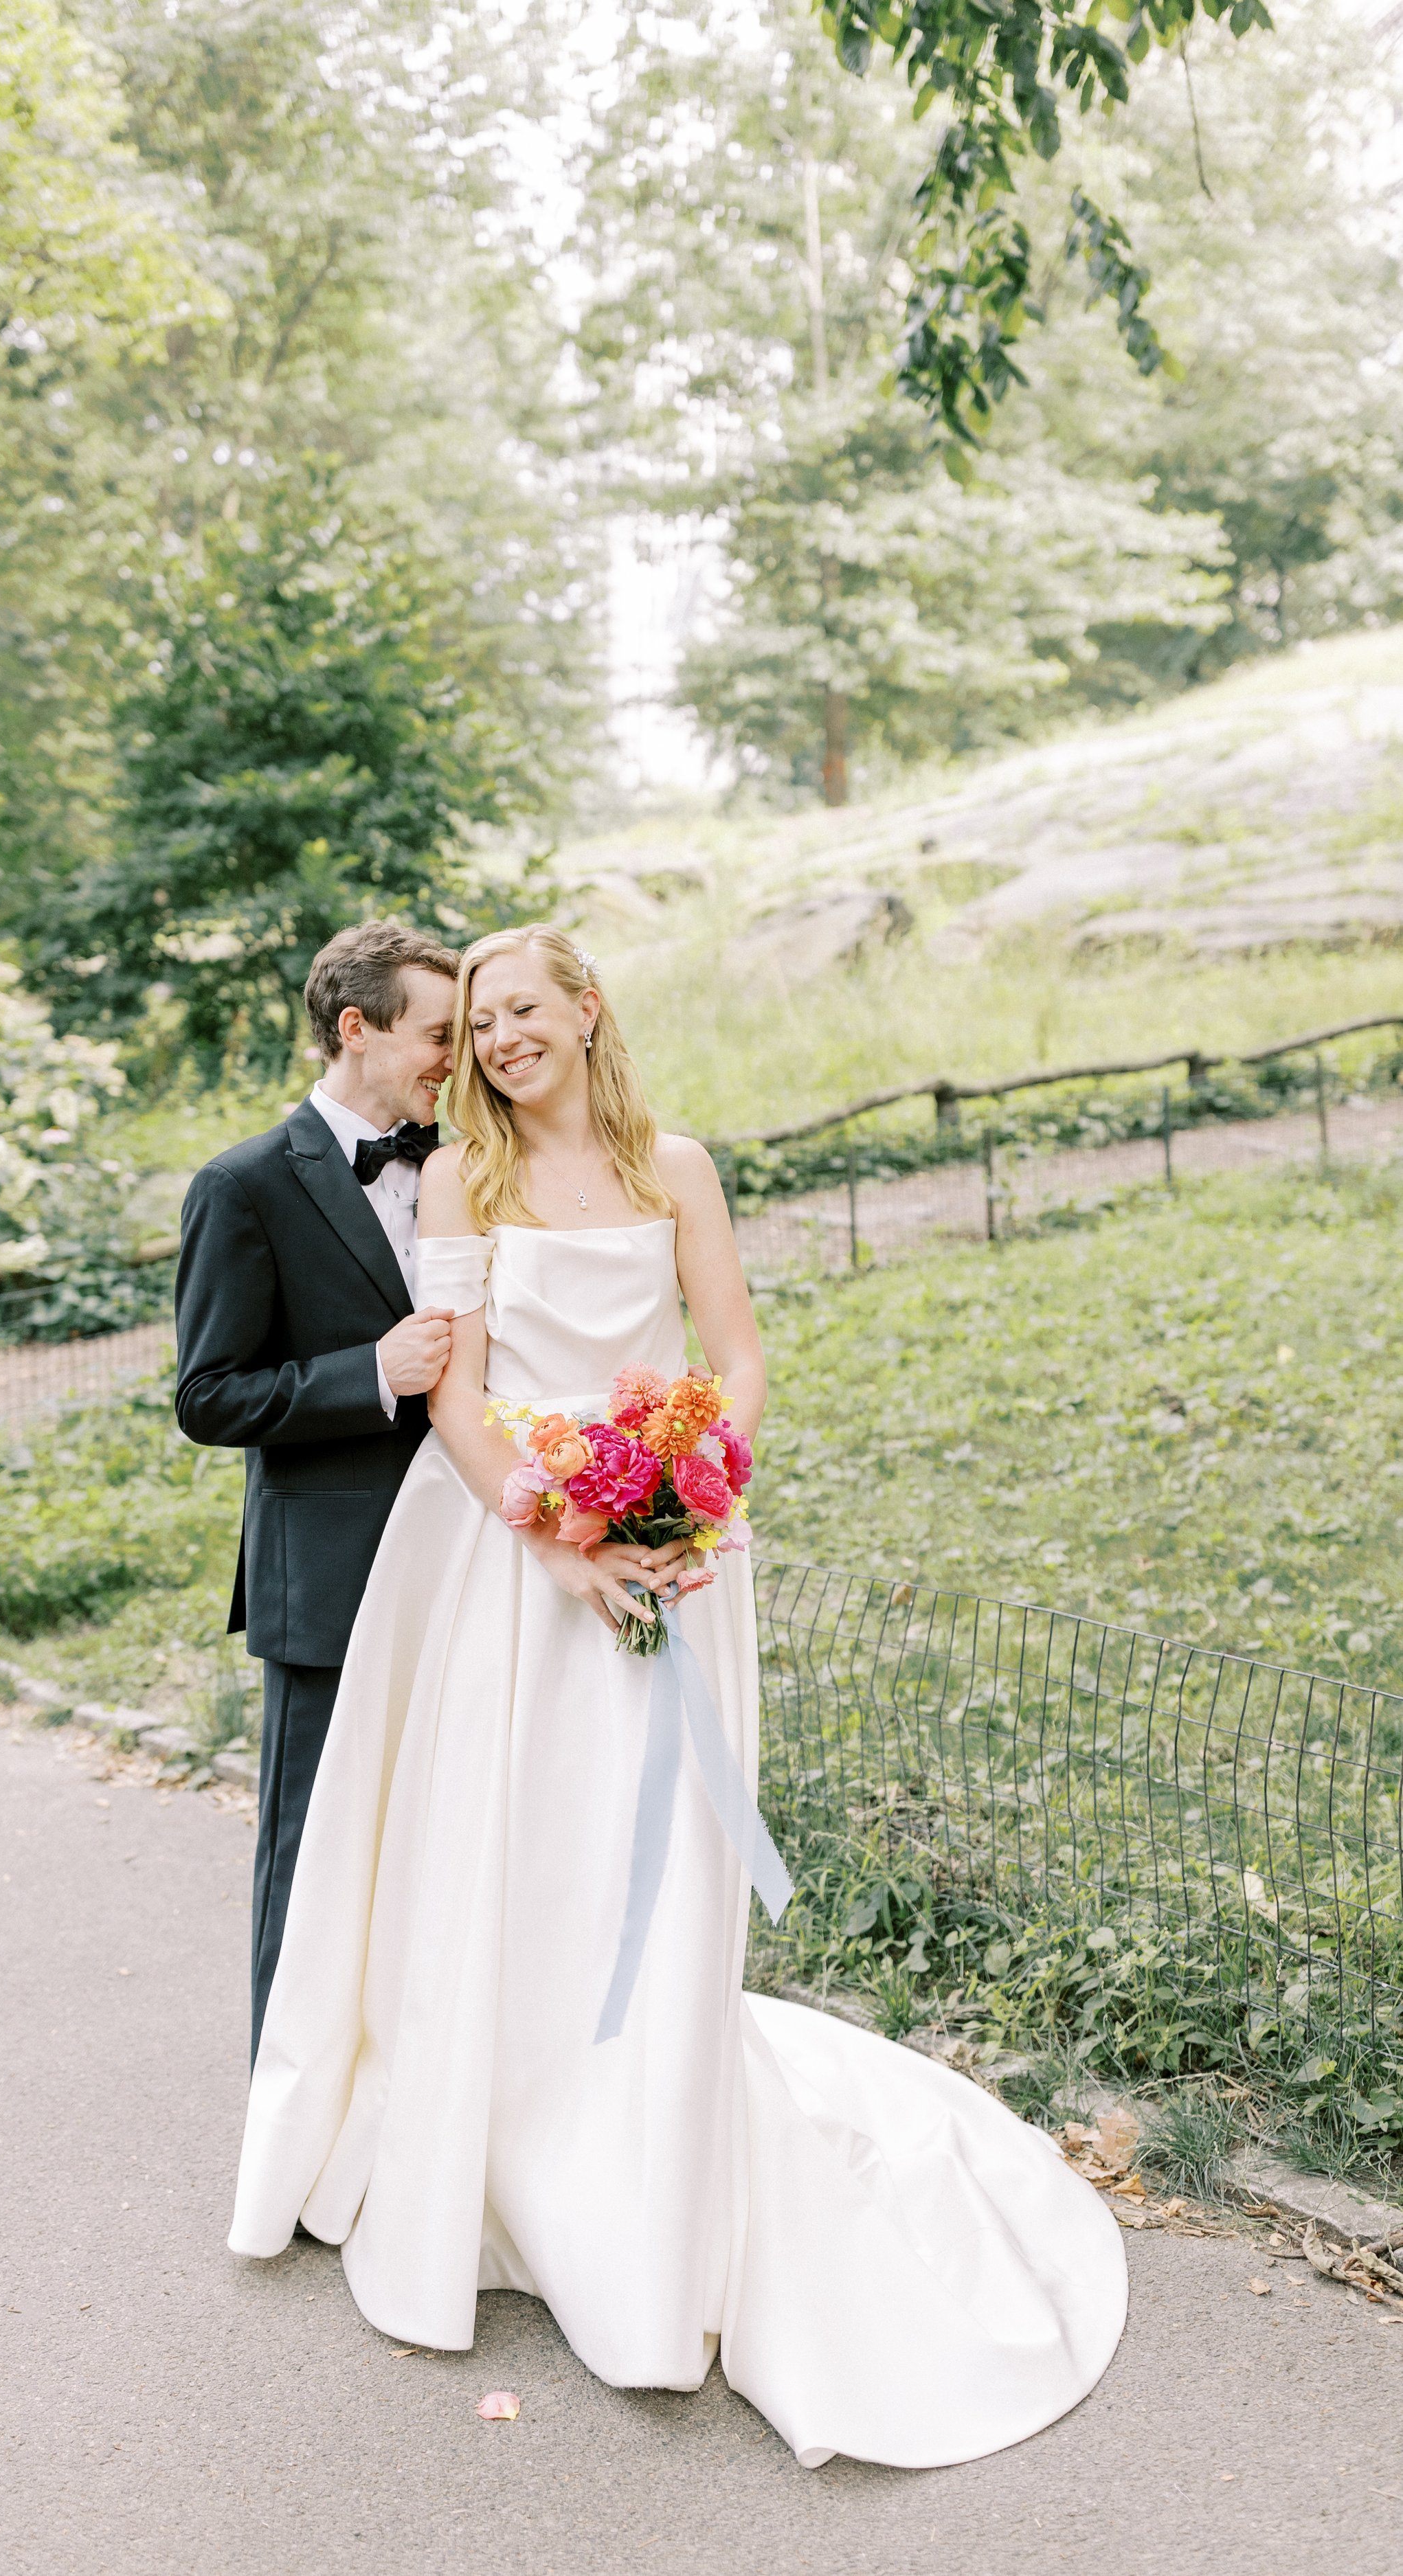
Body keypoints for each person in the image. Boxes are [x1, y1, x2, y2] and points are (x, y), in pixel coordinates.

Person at [227, 924, 1128, 2469]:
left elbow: (737, 1354)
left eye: (520, 1010)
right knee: (521, 1848)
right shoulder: (463, 1180)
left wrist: (687, 1493)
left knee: (651, 1864)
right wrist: (559, 1537)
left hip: (675, 1552)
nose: (498, 1040)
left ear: (585, 1011)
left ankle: (643, 2156)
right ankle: (503, 2158)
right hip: (508, 1558)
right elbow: (452, 1391)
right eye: (478, 1021)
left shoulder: (679, 1169)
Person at [174, 920, 462, 2066]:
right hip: (328, 1589)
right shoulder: (242, 1186)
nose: (458, 1056)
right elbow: (209, 1395)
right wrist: (369, 1377)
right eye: (439, 1033)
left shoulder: (463, 1167)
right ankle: (291, 2130)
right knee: (311, 1856)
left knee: (440, 1851)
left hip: (462, 1566)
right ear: (358, 1027)